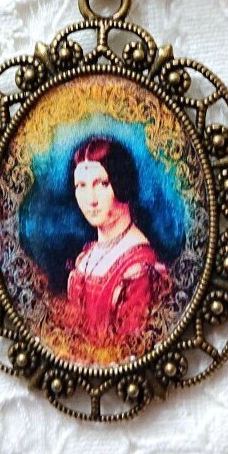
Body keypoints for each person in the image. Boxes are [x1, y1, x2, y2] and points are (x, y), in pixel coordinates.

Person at [66, 136, 171, 342]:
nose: (91, 199)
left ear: (122, 183)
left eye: (102, 184)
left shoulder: (140, 268)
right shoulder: (86, 256)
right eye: (81, 186)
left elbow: (131, 346)